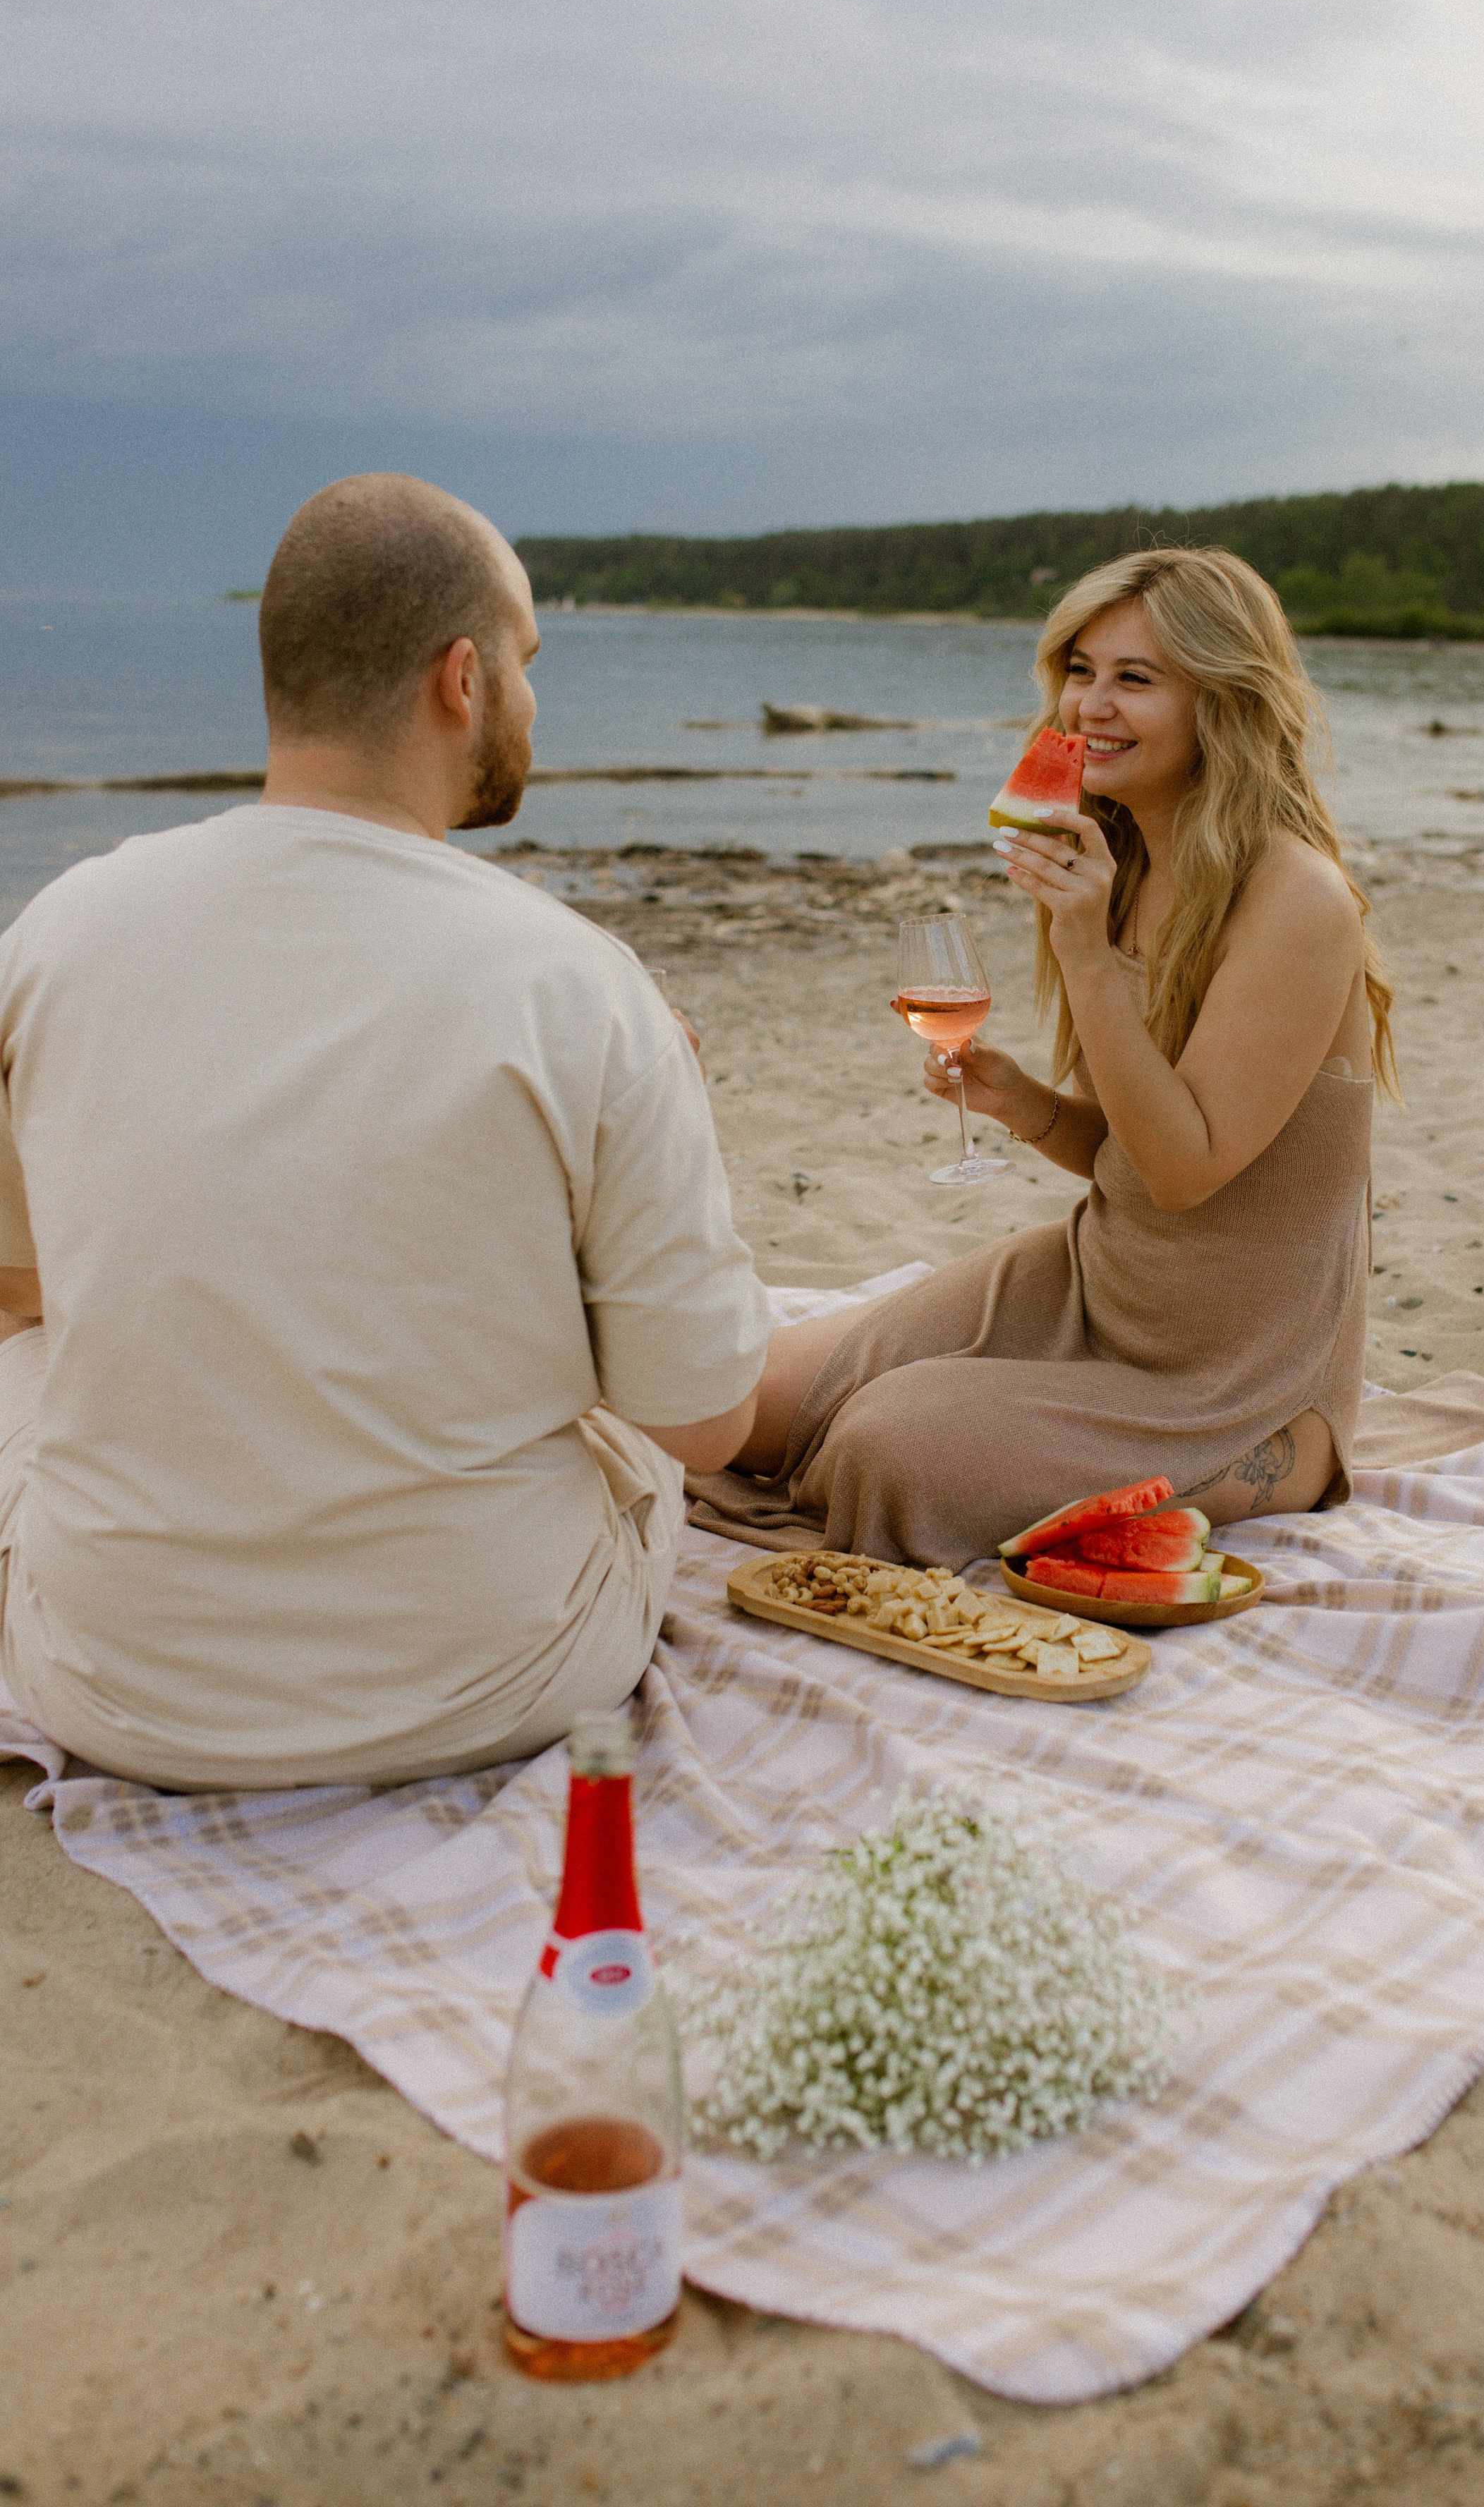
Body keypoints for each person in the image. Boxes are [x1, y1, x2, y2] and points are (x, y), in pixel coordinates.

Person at [0, 475, 770, 1790]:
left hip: (119, 1687)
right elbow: (704, 1421)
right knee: (631, 1418)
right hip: (490, 1680)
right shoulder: (578, 982)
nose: (532, 700)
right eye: (528, 663)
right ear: (461, 680)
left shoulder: (58, 929)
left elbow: (23, 1291)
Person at [688, 544, 1396, 1566]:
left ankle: (1289, 1456)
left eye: (1136, 679)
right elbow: (1132, 1148)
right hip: (1093, 1285)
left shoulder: (1298, 902)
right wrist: (1026, 1104)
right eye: (1081, 671)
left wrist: (1086, 955)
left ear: (1223, 700)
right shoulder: (1127, 857)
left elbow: (1187, 1172)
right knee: (731, 1404)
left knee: (884, 1451)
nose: (1090, 707)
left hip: (1230, 1372)